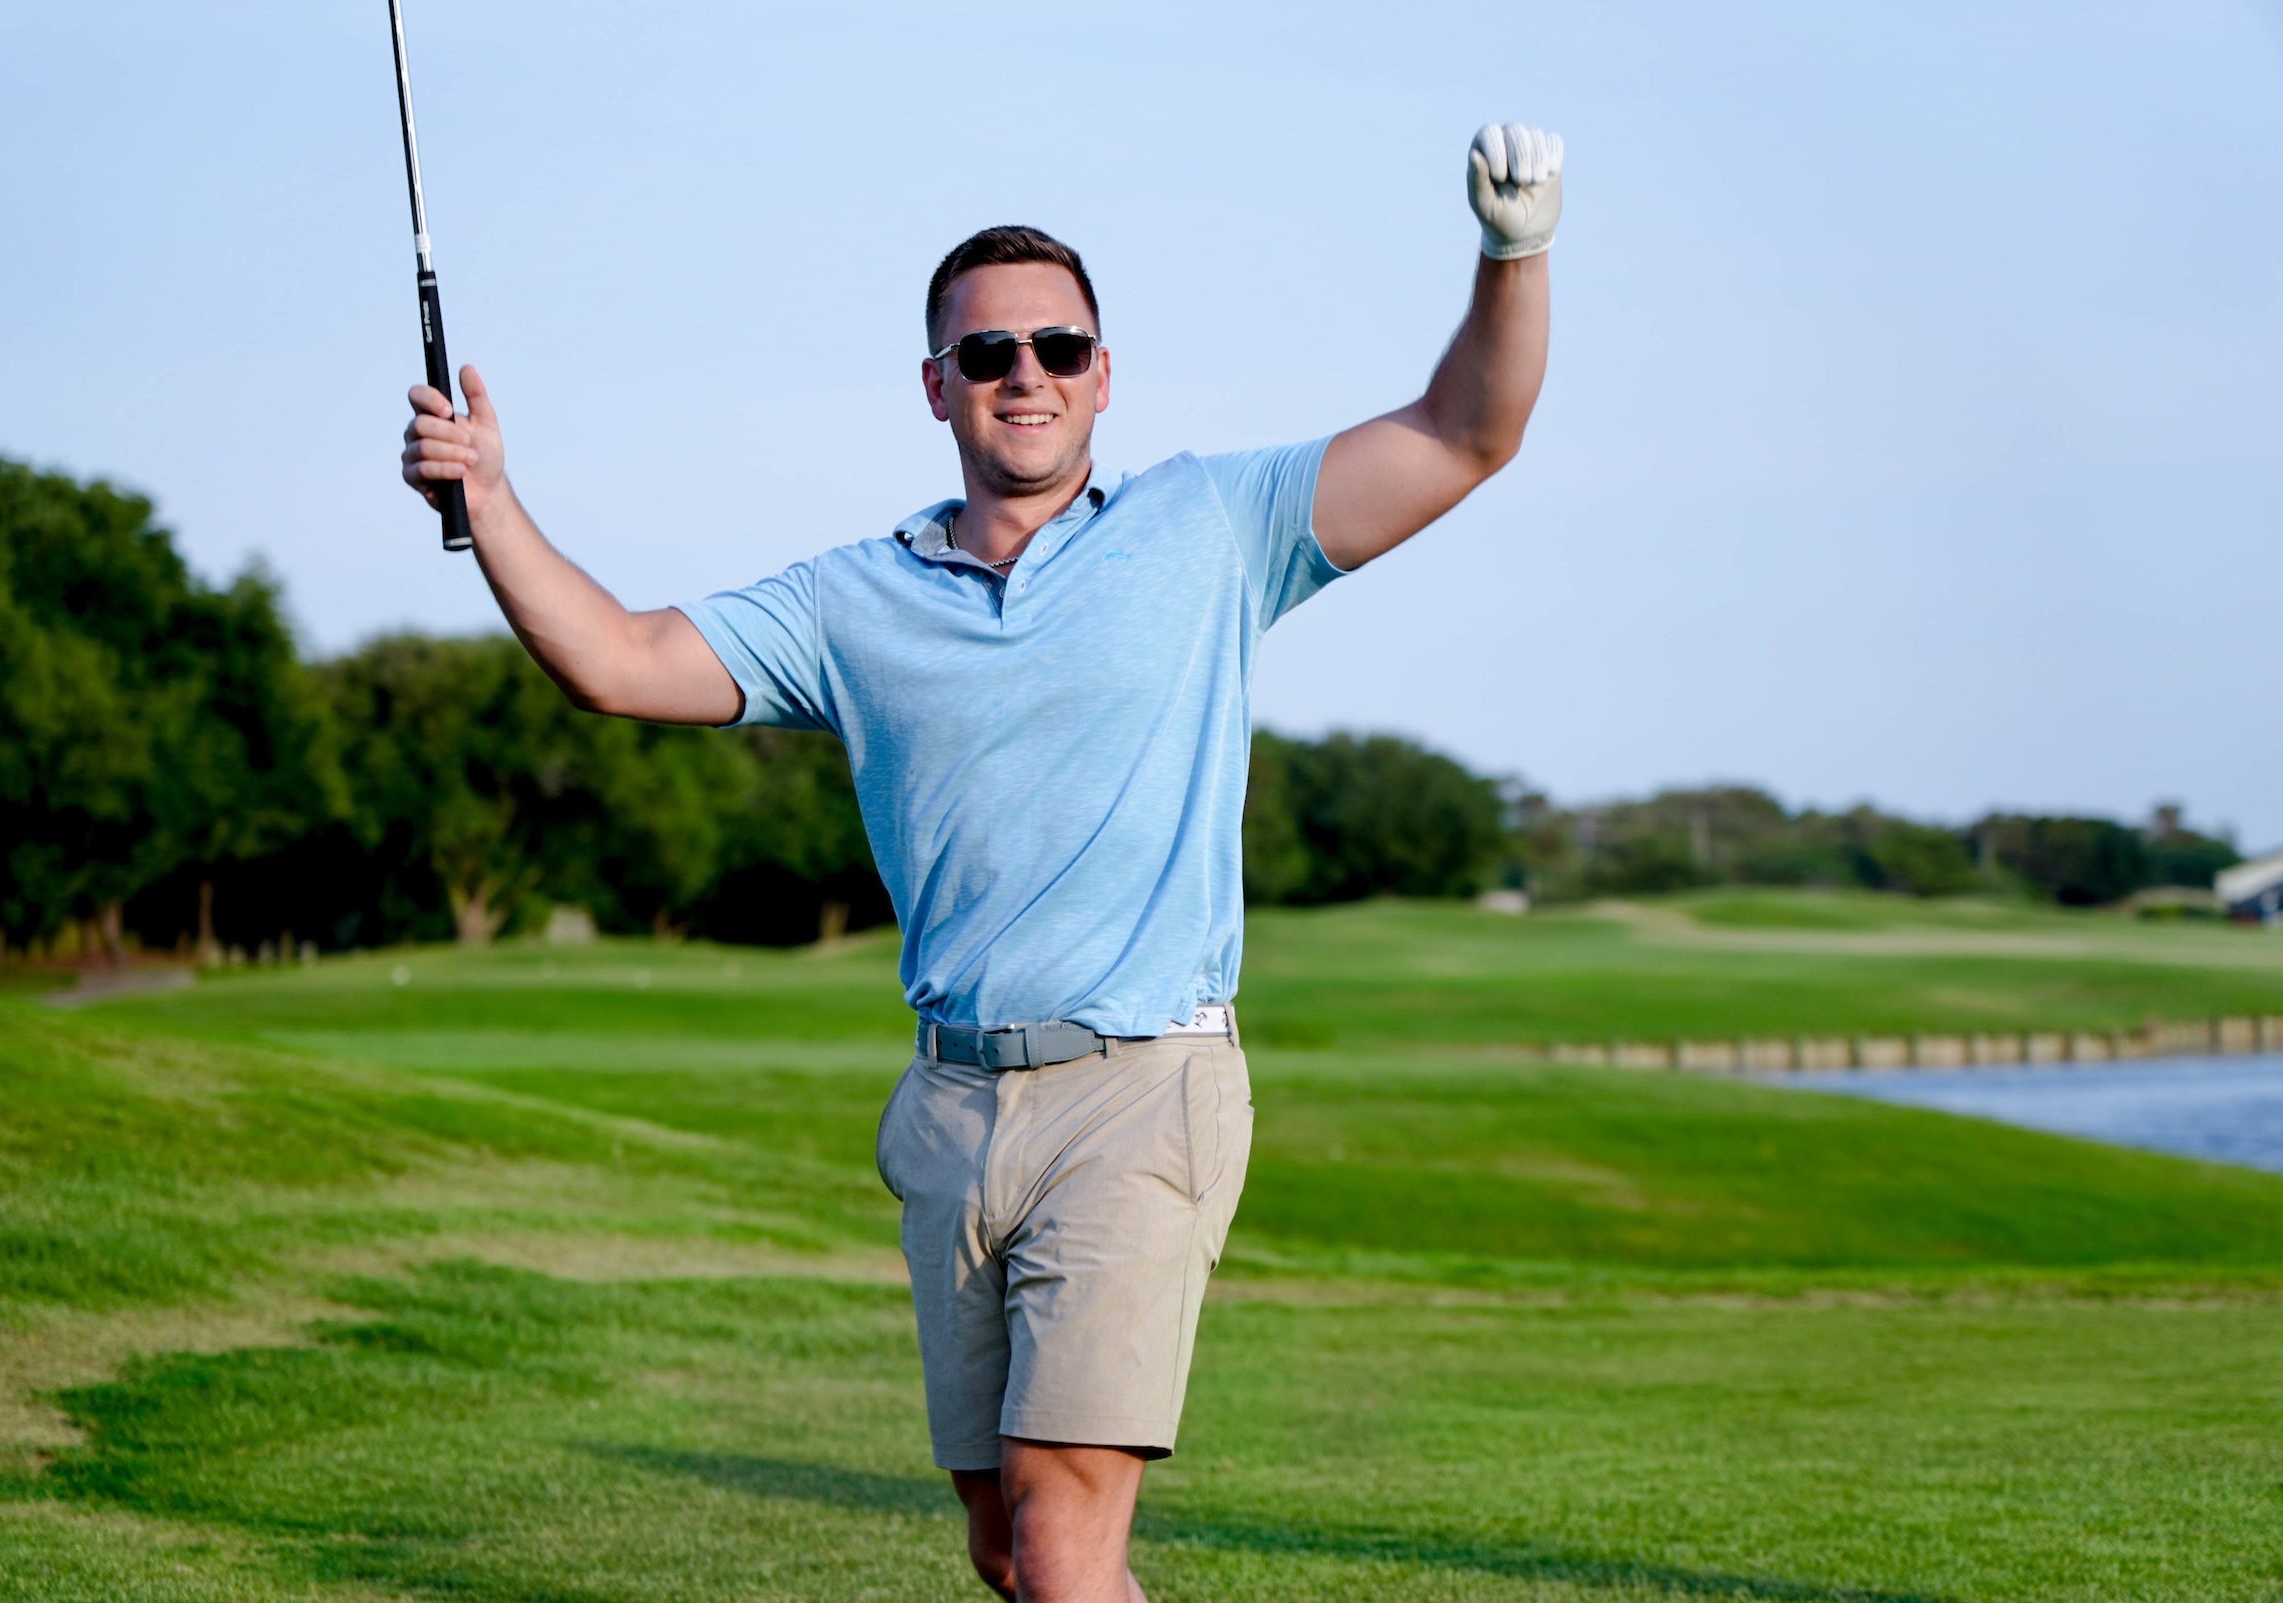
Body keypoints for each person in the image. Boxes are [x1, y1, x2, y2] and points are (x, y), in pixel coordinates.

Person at [400, 120, 1561, 1603]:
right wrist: (492, 501)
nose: (1027, 375)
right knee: (1010, 1547)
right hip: (952, 1104)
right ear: (937, 385)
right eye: (990, 352)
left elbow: (1466, 433)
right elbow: (618, 660)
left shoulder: (1214, 525)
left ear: (1102, 375)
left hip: (1141, 1083)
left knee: (1066, 1539)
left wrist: (1514, 253)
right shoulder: (853, 600)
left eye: (1059, 349)